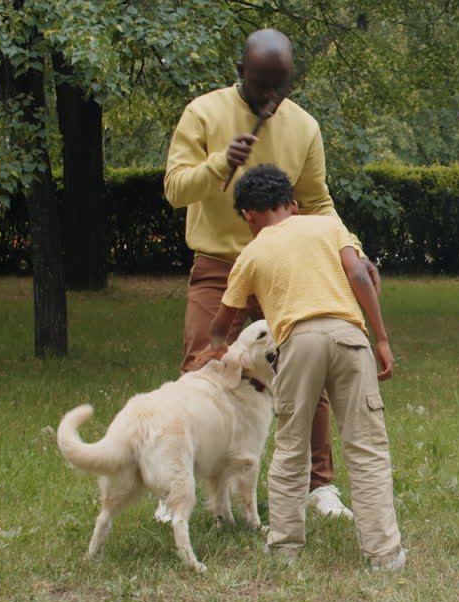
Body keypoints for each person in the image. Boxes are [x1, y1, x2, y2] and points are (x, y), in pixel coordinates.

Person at [164, 28, 373, 519]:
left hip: (286, 266)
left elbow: (317, 202)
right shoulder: (203, 112)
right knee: (202, 368)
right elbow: (175, 189)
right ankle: (178, 487)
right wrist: (220, 163)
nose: (272, 98)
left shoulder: (304, 126)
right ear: (242, 73)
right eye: (262, 86)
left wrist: (353, 250)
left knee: (306, 368)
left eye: (281, 86)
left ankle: (318, 485)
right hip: (219, 264)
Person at [206, 164, 406, 570]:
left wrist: (217, 347)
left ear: (248, 215)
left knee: (291, 447)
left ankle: (285, 548)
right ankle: (384, 554)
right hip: (351, 338)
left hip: (297, 345)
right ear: (293, 205)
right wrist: (381, 338)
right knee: (367, 447)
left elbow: (223, 323)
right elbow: (360, 275)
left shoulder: (251, 253)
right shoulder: (329, 226)